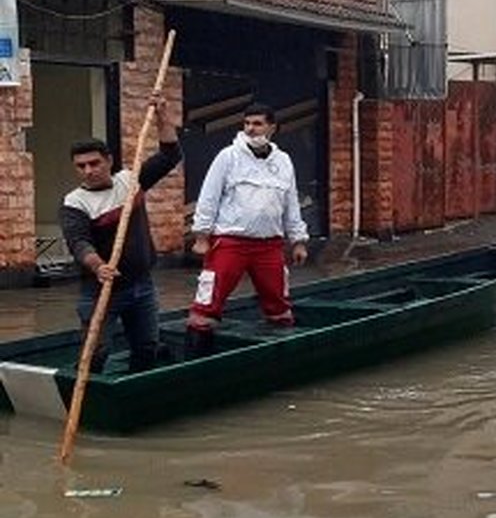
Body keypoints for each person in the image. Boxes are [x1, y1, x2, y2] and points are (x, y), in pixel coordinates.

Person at [60, 96, 182, 374]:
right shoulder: (74, 202)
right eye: (81, 166)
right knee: (95, 353)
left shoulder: (130, 181)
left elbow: (170, 155)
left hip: (143, 284)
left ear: (109, 161)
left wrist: (163, 115)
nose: (89, 171)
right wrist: (98, 266)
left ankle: (138, 397)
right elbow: (78, 243)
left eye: (95, 163)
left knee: (147, 347)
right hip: (101, 289)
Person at [186, 104, 310, 356]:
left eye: (258, 124)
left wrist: (298, 240)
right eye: (247, 124)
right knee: (207, 304)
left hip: (269, 246)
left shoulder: (283, 161)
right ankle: (195, 361)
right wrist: (201, 235)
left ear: (272, 127)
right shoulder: (228, 157)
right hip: (231, 243)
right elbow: (208, 196)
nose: (251, 129)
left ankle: (281, 358)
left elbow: (291, 203)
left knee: (279, 305)